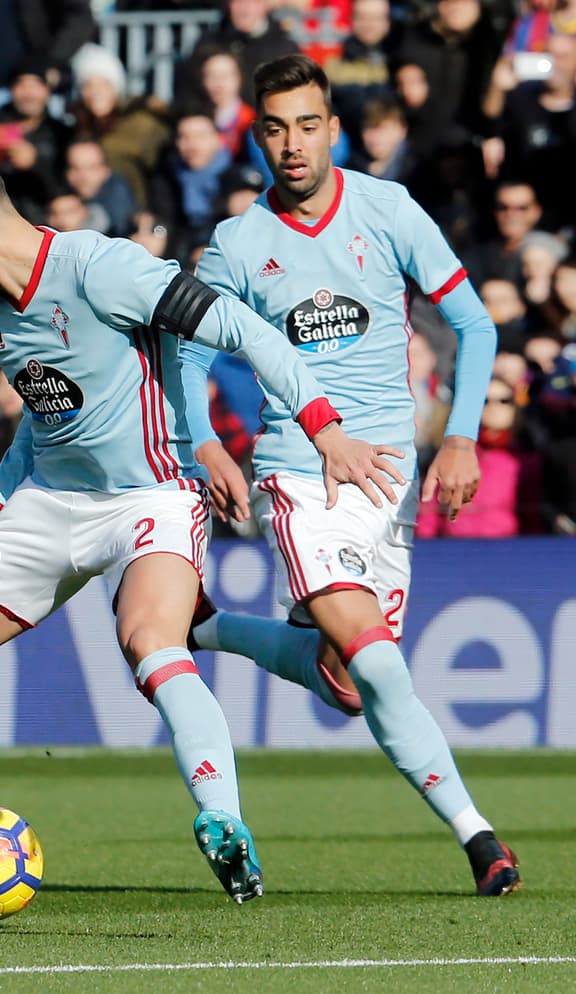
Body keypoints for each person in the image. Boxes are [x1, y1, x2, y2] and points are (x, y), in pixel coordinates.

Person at [0, 146, 401, 904]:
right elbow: (46, 423)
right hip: (48, 501)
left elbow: (247, 334)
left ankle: (223, 821)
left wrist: (326, 429)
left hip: (151, 497)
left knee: (150, 639)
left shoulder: (100, 268)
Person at [180, 55, 520, 898]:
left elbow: (474, 326)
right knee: (373, 659)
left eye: (307, 124)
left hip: (392, 481)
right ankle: (480, 839)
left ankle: (207, 628)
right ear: (254, 135)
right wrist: (208, 446)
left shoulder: (388, 207)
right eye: (273, 127)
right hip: (302, 477)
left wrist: (462, 438)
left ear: (332, 128)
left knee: (347, 684)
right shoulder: (237, 244)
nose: (291, 145)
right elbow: (184, 348)